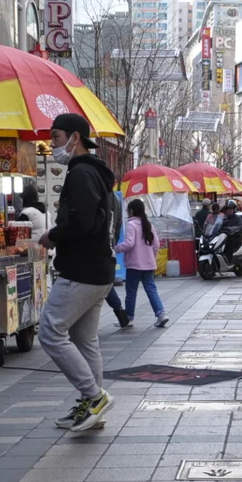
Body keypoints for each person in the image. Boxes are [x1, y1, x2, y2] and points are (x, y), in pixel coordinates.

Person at [39, 112, 118, 433]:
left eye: (56, 136)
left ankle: (93, 396)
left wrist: (53, 235)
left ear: (75, 137)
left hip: (82, 270)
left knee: (50, 331)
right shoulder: (97, 174)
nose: (52, 143)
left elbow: (83, 221)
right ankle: (92, 408)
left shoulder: (81, 173)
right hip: (99, 269)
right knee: (84, 340)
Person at [115, 198, 168, 327]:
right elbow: (156, 244)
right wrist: (151, 257)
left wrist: (115, 249)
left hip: (134, 264)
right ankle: (161, 314)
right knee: (151, 289)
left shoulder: (131, 225)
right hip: (148, 264)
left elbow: (129, 243)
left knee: (131, 292)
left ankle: (128, 318)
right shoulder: (148, 224)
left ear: (131, 211)